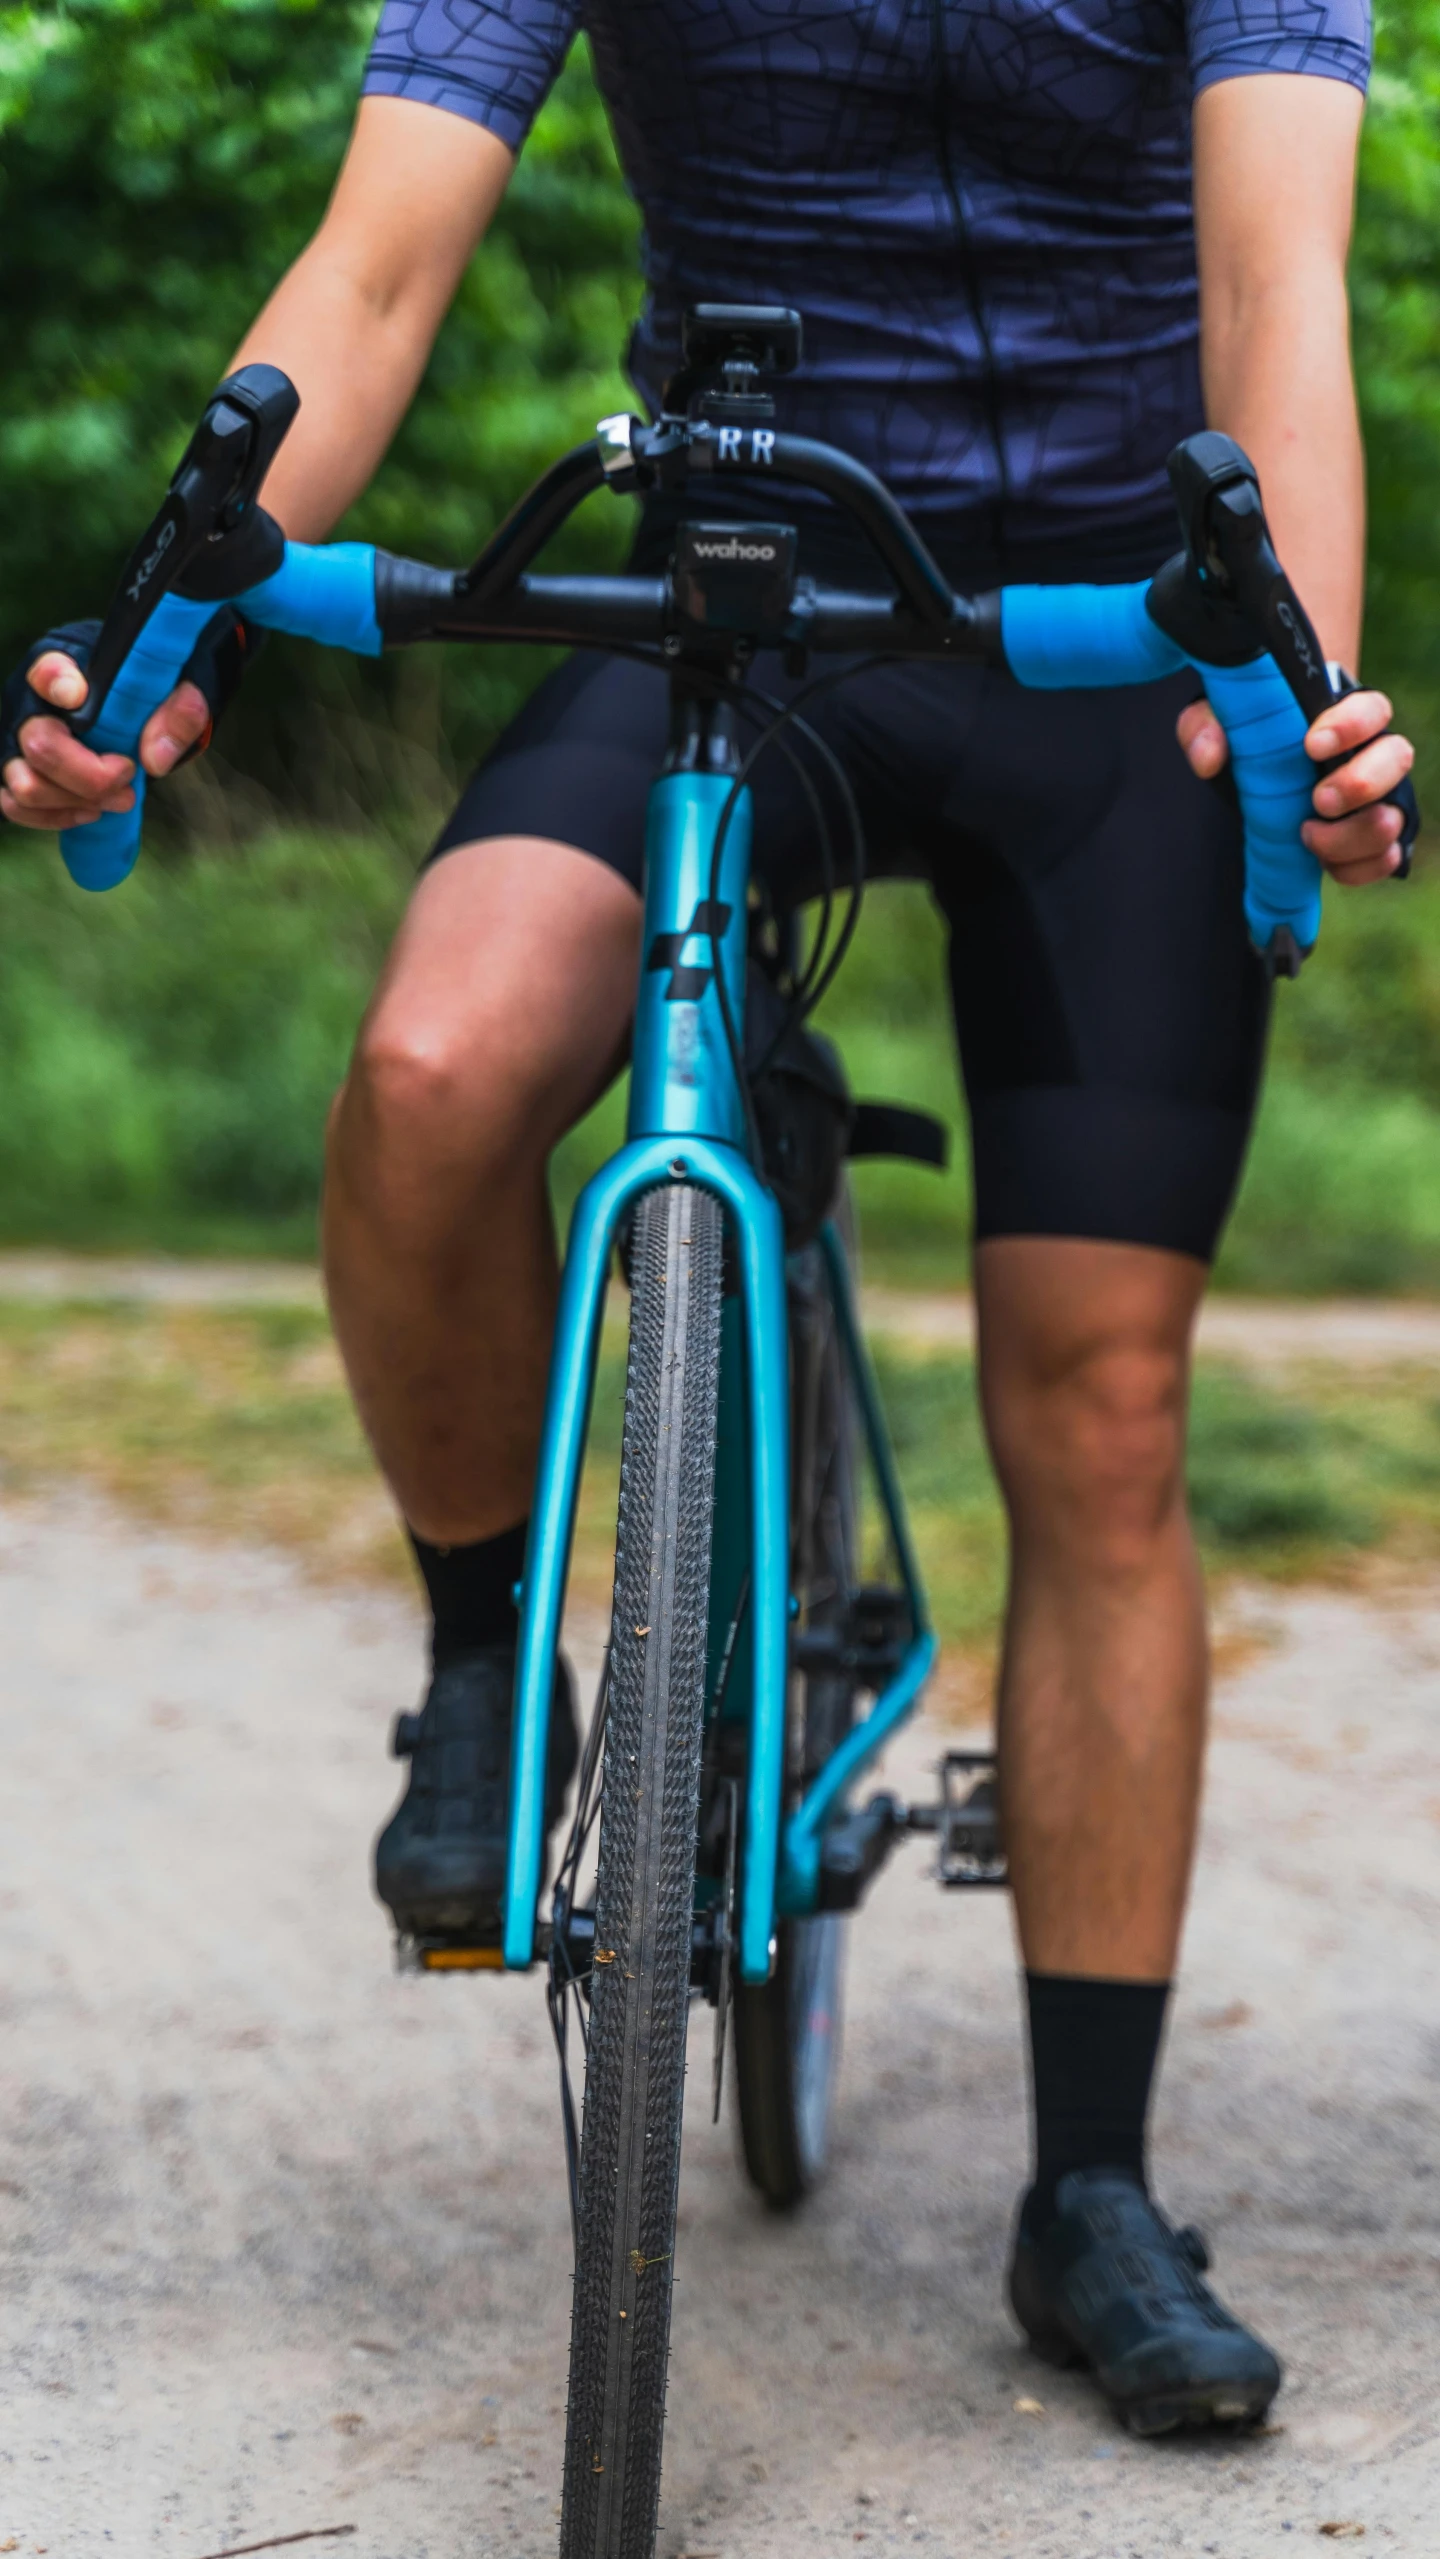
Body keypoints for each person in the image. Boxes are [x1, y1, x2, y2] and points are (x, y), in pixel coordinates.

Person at [0, 0, 1416, 2439]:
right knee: (438, 1075)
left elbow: (1273, 288)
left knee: (1099, 1404)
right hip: (742, 614)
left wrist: (1308, 682)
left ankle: (1091, 2188)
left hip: (1117, 648)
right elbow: (372, 271)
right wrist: (166, 636)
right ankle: (482, 1660)